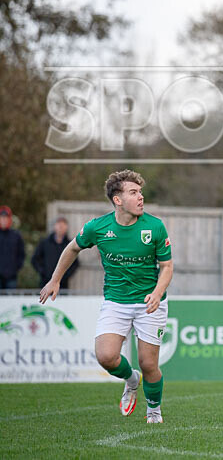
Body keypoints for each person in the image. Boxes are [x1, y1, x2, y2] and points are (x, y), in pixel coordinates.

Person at [40, 170, 173, 423]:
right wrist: (55, 280)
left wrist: (157, 293)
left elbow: (167, 267)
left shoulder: (154, 227)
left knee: (149, 363)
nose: (141, 197)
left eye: (141, 192)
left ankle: (154, 410)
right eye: (134, 193)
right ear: (118, 200)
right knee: (106, 356)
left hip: (150, 303)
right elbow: (72, 248)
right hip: (116, 302)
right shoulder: (98, 227)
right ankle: (131, 379)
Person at [32, 216, 79, 289]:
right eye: (59, 225)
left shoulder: (70, 244)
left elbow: (75, 262)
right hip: (45, 282)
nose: (61, 227)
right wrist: (43, 272)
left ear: (66, 228)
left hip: (62, 284)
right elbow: (35, 259)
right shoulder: (44, 243)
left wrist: (65, 275)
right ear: (54, 227)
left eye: (63, 225)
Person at [0, 206, 25, 290]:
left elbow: (21, 254)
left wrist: (15, 268)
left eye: (6, 218)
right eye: (2, 218)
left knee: (10, 299)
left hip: (11, 276)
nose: (4, 220)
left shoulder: (16, 235)